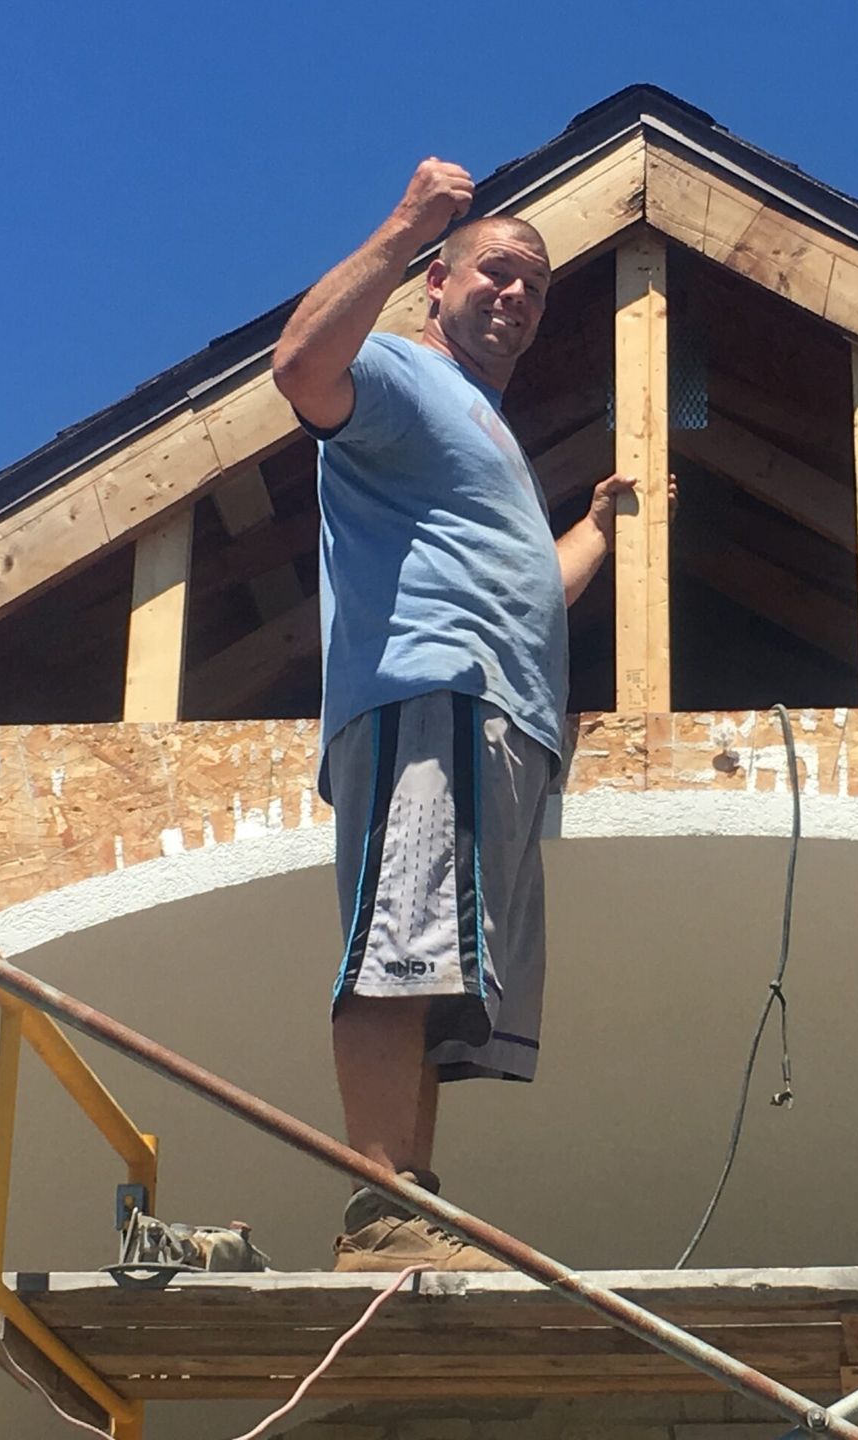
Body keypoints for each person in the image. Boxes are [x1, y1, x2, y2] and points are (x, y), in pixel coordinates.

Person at [272, 158, 641, 1271]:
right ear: (438, 281)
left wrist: (599, 531)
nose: (516, 296)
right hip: (429, 695)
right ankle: (377, 1206)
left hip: (501, 720)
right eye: (495, 272)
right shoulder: (395, 370)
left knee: (442, 972)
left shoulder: (486, 433)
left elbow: (530, 587)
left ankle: (411, 1208)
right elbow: (299, 367)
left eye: (534, 286)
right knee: (404, 947)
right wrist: (403, 222)